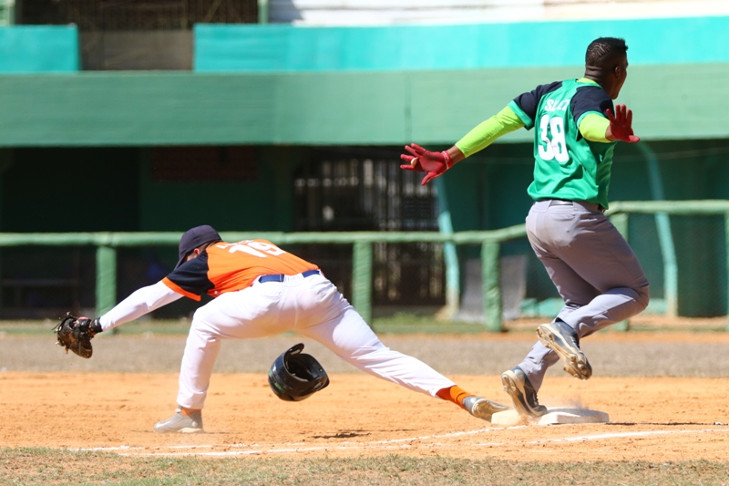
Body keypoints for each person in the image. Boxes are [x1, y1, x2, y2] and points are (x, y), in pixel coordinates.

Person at [399, 37, 649, 418]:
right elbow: (591, 123)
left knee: (578, 304)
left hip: (538, 219)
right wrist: (612, 132)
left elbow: (498, 122)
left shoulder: (547, 93)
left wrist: (449, 156)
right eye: (624, 70)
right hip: (575, 216)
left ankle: (526, 376)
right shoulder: (594, 97)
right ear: (618, 71)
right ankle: (568, 330)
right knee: (634, 291)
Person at [80, 224, 507, 432]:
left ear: (193, 252)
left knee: (203, 321)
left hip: (271, 298)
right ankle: (465, 397)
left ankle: (189, 413)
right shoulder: (258, 246)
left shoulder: (205, 258)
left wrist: (98, 324)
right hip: (320, 291)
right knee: (379, 357)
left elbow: (152, 296)